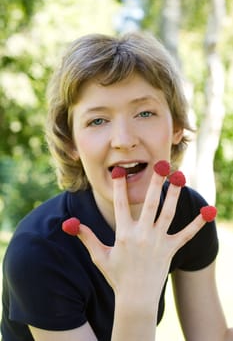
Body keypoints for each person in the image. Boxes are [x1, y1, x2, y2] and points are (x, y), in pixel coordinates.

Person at [1, 31, 232, 341]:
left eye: (145, 113)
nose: (124, 140)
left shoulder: (188, 214)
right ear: (71, 142)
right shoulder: (39, 250)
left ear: (176, 127)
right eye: (97, 120)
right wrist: (136, 291)